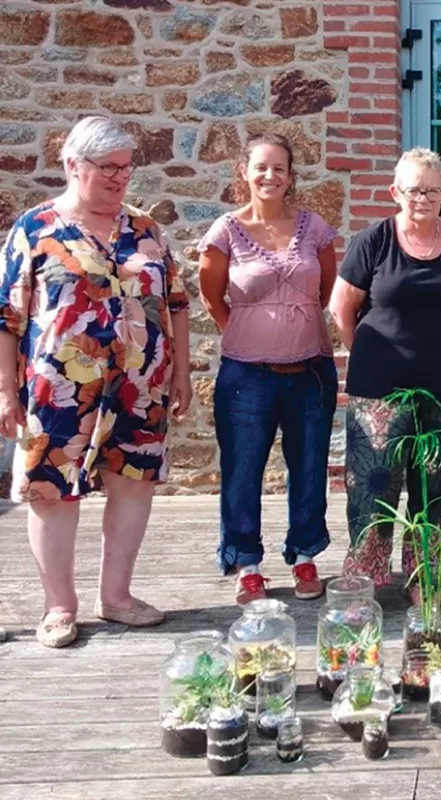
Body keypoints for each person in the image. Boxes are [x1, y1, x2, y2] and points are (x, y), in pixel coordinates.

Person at [0, 116, 192, 647]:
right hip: (58, 387)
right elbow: (8, 318)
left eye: (127, 168)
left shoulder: (145, 230)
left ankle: (118, 596)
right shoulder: (35, 229)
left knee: (133, 485)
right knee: (52, 493)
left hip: (141, 385)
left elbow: (175, 302)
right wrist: (3, 390)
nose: (120, 178)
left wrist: (180, 373)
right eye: (108, 168)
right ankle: (59, 606)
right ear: (72, 166)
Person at [329, 148, 441, 601]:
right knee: (373, 485)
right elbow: (342, 308)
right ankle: (367, 576)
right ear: (395, 191)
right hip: (379, 388)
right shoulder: (373, 240)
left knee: (436, 487)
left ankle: (424, 577)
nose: (423, 197)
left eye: (432, 189)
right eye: (414, 189)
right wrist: (370, 354)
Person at [198, 134, 338, 605]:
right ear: (244, 171)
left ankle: (303, 555)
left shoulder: (314, 228)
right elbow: (212, 295)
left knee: (309, 467)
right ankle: (246, 563)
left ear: (291, 175)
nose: (270, 176)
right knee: (242, 470)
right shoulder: (224, 231)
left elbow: (323, 291)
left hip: (310, 371)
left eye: (279, 168)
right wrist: (247, 329)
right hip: (246, 377)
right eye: (261, 167)